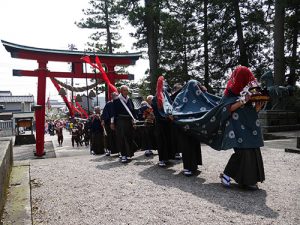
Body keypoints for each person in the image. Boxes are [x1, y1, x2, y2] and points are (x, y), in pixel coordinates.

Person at [218, 66, 265, 190]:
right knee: (241, 152)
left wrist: (258, 105)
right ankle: (226, 175)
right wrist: (242, 101)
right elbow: (226, 109)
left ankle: (248, 180)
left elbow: (254, 110)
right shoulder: (230, 91)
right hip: (236, 127)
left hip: (251, 126)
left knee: (253, 151)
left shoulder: (252, 89)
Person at [111, 85, 137, 163]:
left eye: (127, 90)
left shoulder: (129, 100)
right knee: (122, 138)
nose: (126, 92)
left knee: (129, 137)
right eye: (125, 90)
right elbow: (113, 112)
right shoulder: (117, 100)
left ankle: (129, 154)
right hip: (120, 121)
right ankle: (123, 155)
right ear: (121, 91)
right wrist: (112, 122)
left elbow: (133, 111)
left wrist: (134, 120)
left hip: (129, 120)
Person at [101, 92, 118, 156]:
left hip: (117, 122)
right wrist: (103, 120)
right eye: (114, 95)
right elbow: (104, 114)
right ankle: (108, 150)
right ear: (111, 97)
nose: (115, 96)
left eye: (116, 95)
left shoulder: (119, 103)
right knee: (109, 137)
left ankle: (119, 150)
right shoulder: (109, 104)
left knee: (117, 137)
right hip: (108, 123)